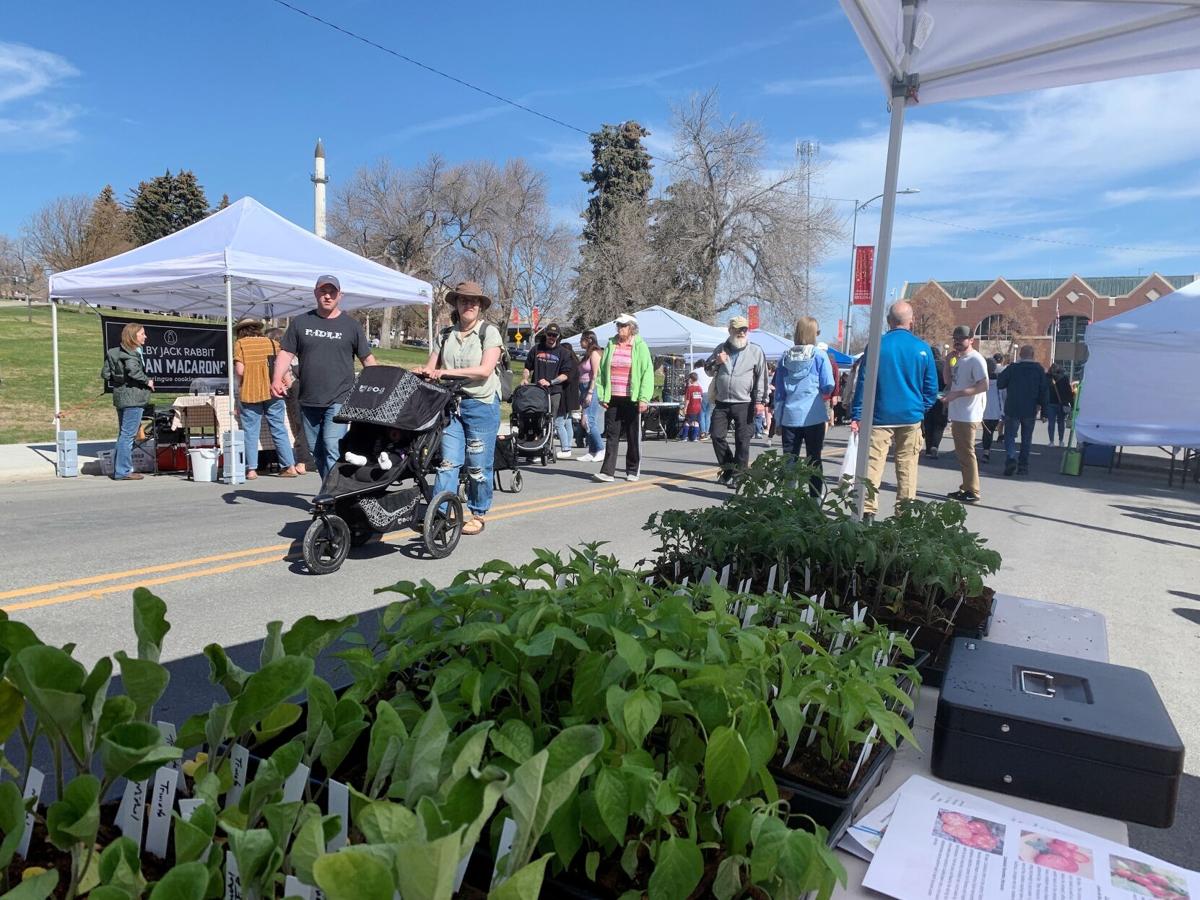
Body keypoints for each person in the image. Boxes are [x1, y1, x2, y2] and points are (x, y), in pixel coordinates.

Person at [412, 281, 503, 536]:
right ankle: (440, 513)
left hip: (481, 405)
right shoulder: (444, 335)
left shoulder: (489, 332)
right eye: (464, 300)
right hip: (451, 405)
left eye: (474, 301)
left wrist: (445, 372)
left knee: (477, 464)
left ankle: (478, 512)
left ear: (480, 306)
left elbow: (484, 371)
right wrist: (425, 372)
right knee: (448, 462)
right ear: (456, 304)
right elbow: (433, 367)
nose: (469, 304)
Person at [272, 275, 375, 480]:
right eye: (323, 291)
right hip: (308, 398)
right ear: (315, 293)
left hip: (339, 397)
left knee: (331, 446)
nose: (327, 296)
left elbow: (367, 359)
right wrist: (276, 378)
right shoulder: (301, 322)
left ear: (340, 295)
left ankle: (334, 497)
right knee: (315, 450)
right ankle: (331, 488)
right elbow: (286, 353)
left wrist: (379, 385)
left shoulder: (351, 326)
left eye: (332, 292)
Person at [850, 301, 939, 520]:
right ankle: (904, 514)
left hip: (880, 415)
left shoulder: (877, 345)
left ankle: (867, 510)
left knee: (873, 465)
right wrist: (921, 408)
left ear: (889, 321)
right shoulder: (923, 348)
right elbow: (932, 388)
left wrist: (858, 413)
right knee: (907, 466)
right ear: (912, 320)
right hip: (910, 416)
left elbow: (864, 381)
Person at [773, 316, 836, 495]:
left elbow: (779, 394)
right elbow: (827, 385)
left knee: (789, 460)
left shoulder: (784, 358)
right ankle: (815, 500)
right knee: (814, 460)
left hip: (790, 417)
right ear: (813, 334)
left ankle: (788, 498)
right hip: (813, 415)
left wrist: (778, 420)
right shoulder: (820, 356)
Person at [704, 315, 768, 485]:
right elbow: (707, 370)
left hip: (745, 402)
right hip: (722, 401)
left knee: (742, 440)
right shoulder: (721, 348)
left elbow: (762, 377)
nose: (742, 332)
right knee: (716, 436)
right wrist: (717, 362)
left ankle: (740, 476)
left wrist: (761, 401)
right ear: (730, 330)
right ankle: (729, 468)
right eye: (738, 329)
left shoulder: (755, 350)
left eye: (744, 329)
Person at [234, 318, 298, 480]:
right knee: (278, 427)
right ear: (258, 329)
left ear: (240, 331)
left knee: (250, 431)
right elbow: (282, 367)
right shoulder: (272, 343)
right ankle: (289, 466)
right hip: (273, 391)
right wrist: (287, 384)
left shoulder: (241, 344)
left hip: (250, 391)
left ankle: (252, 470)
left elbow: (240, 371)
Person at [594, 313, 654, 483]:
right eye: (619, 325)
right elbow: (602, 372)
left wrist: (644, 398)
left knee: (632, 435)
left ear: (632, 328)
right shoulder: (611, 344)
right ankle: (607, 471)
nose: (620, 329)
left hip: (632, 398)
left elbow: (647, 373)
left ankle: (633, 469)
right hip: (613, 397)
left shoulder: (640, 346)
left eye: (624, 326)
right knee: (612, 435)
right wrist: (602, 395)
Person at [100, 322, 154, 481]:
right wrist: (147, 381)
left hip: (120, 397)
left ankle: (119, 469)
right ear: (133, 336)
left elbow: (105, 374)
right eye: (142, 333)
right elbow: (133, 371)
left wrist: (119, 379)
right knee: (128, 435)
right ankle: (123, 471)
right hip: (133, 397)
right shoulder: (132, 353)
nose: (145, 336)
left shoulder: (113, 352)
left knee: (123, 434)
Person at [942, 325, 989, 504]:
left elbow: (984, 385)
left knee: (967, 453)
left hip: (969, 414)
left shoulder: (976, 360)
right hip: (959, 412)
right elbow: (948, 381)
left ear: (971, 340)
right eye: (955, 339)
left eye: (961, 340)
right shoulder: (960, 359)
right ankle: (966, 487)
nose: (957, 343)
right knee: (962, 454)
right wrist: (948, 361)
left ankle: (972, 490)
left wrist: (957, 394)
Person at [266, 326, 314, 475]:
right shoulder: (295, 352)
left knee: (298, 425)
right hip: (304, 388)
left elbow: (287, 375)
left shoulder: (282, 354)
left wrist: (287, 385)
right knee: (302, 425)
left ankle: (303, 461)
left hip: (295, 390)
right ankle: (307, 459)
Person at [523, 323, 575, 460]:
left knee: (550, 420)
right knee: (535, 418)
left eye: (554, 335)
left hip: (554, 391)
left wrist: (551, 381)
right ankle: (535, 447)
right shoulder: (536, 349)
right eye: (549, 335)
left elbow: (565, 375)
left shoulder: (563, 353)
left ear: (558, 337)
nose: (551, 337)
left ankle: (547, 447)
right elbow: (527, 367)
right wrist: (525, 378)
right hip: (536, 391)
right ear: (545, 334)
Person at [997, 345, 1048, 476]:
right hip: (1030, 409)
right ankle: (1023, 466)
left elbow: (1000, 383)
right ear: (1033, 355)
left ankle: (1011, 457)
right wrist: (1044, 411)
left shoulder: (1013, 368)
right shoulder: (1038, 370)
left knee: (1010, 435)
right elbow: (1044, 391)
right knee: (1026, 438)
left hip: (1013, 407)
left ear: (1020, 354)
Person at [576, 331, 605, 462]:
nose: (580, 342)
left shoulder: (595, 353)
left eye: (582, 339)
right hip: (583, 388)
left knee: (588, 420)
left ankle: (600, 449)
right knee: (585, 421)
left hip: (591, 388)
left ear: (589, 339)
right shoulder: (586, 354)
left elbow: (595, 374)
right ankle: (592, 451)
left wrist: (590, 392)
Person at [922, 345, 949, 458]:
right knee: (939, 424)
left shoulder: (926, 366)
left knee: (928, 423)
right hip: (942, 398)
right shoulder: (944, 366)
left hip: (928, 397)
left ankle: (928, 449)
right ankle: (935, 446)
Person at [980, 357, 1004, 463]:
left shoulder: (980, 380)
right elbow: (1003, 396)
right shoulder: (1000, 381)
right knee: (990, 431)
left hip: (983, 409)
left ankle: (986, 451)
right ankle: (986, 451)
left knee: (986, 431)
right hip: (996, 411)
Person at [1046, 365, 1075, 446]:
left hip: (1050, 403)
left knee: (1051, 423)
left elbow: (1044, 390)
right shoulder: (1064, 378)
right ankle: (1061, 441)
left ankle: (1051, 441)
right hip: (1061, 403)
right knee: (1061, 422)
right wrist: (1072, 404)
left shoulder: (1048, 378)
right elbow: (1069, 392)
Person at [681, 371, 705, 441]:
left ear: (691, 379)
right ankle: (694, 438)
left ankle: (684, 437)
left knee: (687, 422)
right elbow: (701, 398)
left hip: (691, 407)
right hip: (698, 407)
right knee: (696, 422)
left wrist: (685, 408)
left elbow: (687, 400)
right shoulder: (700, 388)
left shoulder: (690, 388)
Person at [692, 361, 713, 440]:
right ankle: (707, 432)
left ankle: (703, 432)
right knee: (708, 414)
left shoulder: (695, 371)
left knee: (702, 413)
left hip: (702, 394)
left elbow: (690, 380)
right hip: (711, 393)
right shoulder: (709, 371)